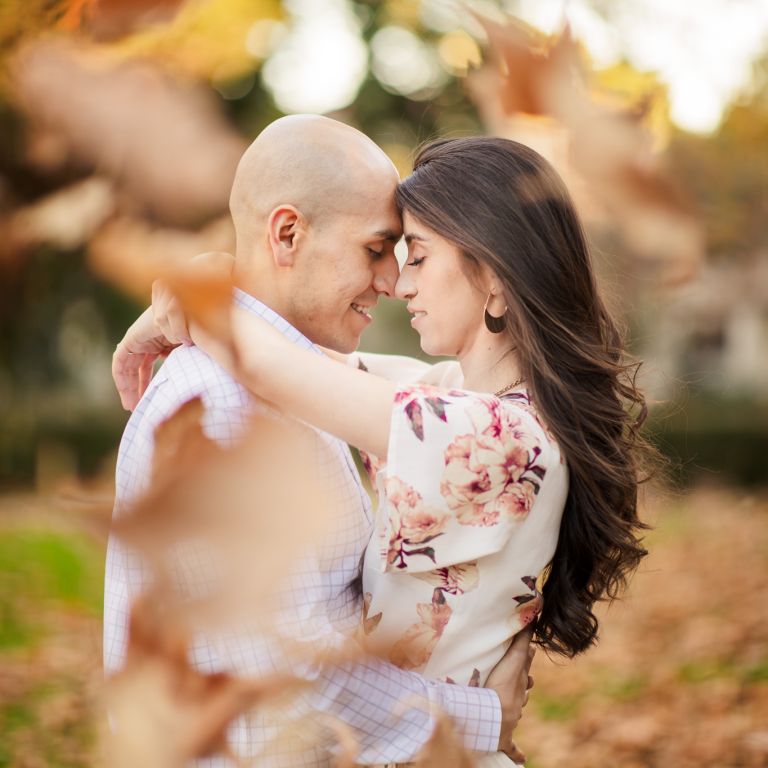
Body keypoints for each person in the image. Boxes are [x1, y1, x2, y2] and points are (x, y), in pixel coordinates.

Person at [116, 134, 651, 766]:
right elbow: (319, 363)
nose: (398, 281)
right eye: (384, 250)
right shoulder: (456, 398)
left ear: (497, 283)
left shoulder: (492, 436)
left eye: (415, 255)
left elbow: (277, 365)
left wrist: (200, 296)